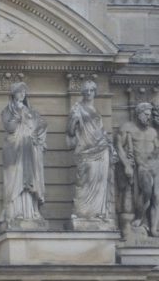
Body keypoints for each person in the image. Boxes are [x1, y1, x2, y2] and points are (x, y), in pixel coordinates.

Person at [66, 81, 115, 222]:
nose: (88, 93)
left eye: (91, 90)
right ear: (82, 92)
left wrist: (108, 142)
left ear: (95, 92)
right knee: (85, 181)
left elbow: (101, 130)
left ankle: (98, 213)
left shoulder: (96, 111)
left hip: (101, 148)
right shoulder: (77, 108)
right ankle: (81, 213)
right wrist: (74, 120)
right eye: (86, 90)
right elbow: (69, 131)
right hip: (86, 150)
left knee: (100, 181)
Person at [0, 82, 48, 224]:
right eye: (19, 92)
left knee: (30, 180)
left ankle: (30, 212)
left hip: (29, 149)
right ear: (13, 94)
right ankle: (15, 212)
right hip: (14, 149)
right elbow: (10, 127)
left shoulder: (30, 111)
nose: (22, 94)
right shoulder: (6, 111)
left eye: (23, 92)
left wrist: (25, 113)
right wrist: (19, 112)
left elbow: (42, 124)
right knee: (15, 180)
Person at [115, 102, 159, 236]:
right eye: (146, 114)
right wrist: (127, 164)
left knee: (157, 197)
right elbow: (118, 147)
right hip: (142, 166)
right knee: (146, 192)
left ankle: (153, 228)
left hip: (156, 166)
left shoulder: (152, 131)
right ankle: (139, 217)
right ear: (139, 113)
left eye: (150, 115)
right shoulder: (127, 128)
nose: (149, 117)